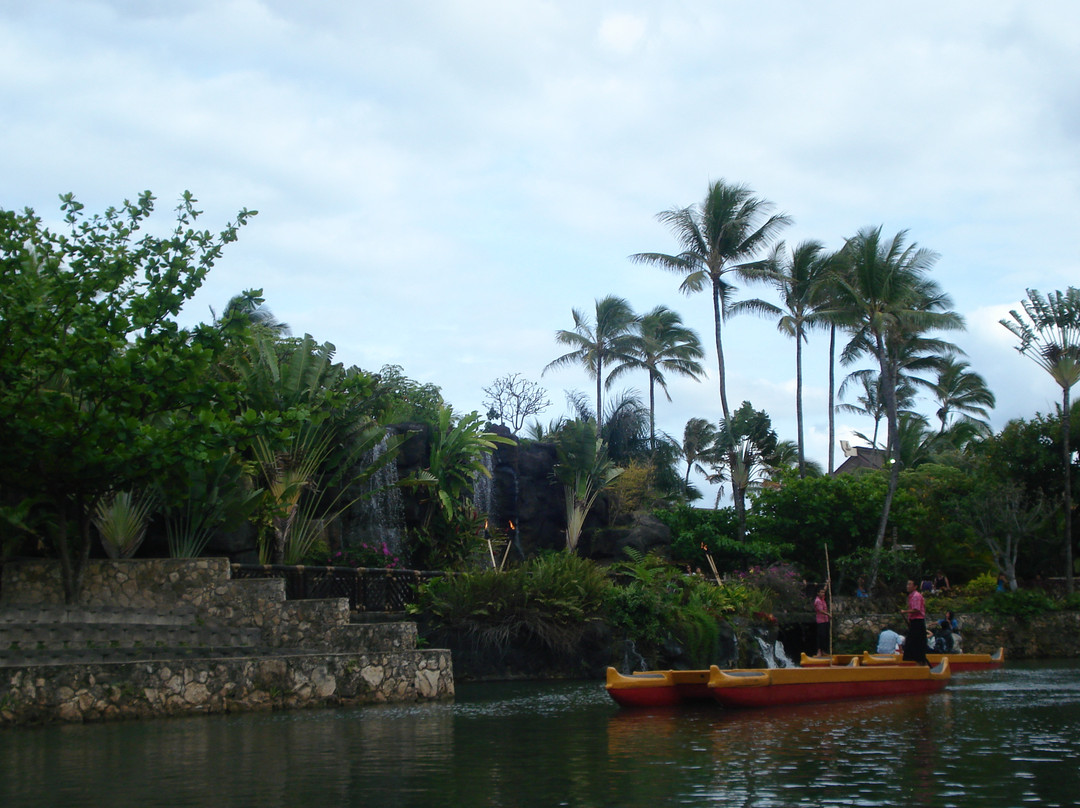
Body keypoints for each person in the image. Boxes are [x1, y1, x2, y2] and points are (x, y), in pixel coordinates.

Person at [902, 579, 929, 665]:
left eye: (910, 584)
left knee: (916, 642)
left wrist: (905, 612)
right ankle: (916, 661)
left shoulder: (916, 596)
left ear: (915, 587)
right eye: (907, 584)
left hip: (918, 621)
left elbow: (916, 610)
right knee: (911, 642)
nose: (907, 586)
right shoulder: (911, 596)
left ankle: (920, 662)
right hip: (914, 621)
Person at [813, 587, 831, 656]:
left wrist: (827, 583)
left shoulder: (823, 599)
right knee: (821, 636)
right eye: (821, 592)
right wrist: (828, 614)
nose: (823, 593)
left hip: (825, 620)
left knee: (825, 636)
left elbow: (825, 589)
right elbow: (820, 610)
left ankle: (823, 650)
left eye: (823, 592)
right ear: (818, 593)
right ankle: (819, 651)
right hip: (821, 621)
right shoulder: (818, 601)